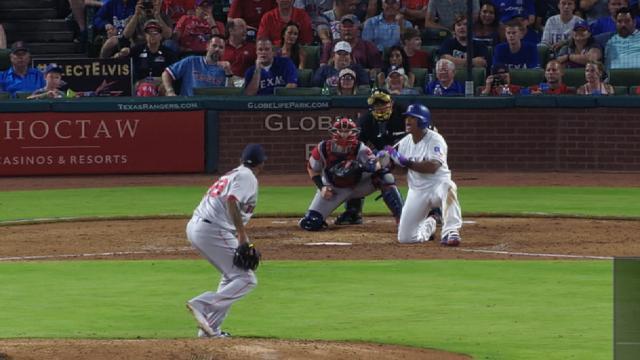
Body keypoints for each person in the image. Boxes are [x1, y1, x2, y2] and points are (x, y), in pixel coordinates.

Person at [185, 143, 266, 339]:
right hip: (212, 229)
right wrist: (242, 236)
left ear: (241, 159)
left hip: (200, 227)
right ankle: (202, 304)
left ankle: (210, 331)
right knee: (247, 279)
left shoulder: (233, 174)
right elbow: (231, 200)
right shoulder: (247, 176)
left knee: (232, 276)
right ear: (262, 164)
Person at [298, 117, 404, 231]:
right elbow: (312, 168)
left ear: (354, 132)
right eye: (341, 131)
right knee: (310, 223)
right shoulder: (322, 148)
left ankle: (402, 219)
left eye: (347, 131)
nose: (344, 134)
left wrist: (366, 166)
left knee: (385, 177)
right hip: (333, 189)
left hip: (358, 185)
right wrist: (322, 187)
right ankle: (352, 214)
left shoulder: (361, 148)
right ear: (334, 132)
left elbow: (378, 165)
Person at [384, 103, 462, 246]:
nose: (408, 120)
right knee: (406, 238)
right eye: (407, 117)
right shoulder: (405, 142)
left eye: (412, 117)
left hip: (438, 187)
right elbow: (404, 170)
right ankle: (430, 224)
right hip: (417, 191)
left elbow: (433, 167)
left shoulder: (436, 140)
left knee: (449, 186)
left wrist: (405, 161)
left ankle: (451, 231)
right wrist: (390, 163)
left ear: (422, 120)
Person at [333, 88, 406, 225]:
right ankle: (353, 211)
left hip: (409, 152)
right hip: (383, 154)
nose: (379, 107)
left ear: (392, 102)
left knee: (425, 173)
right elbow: (356, 147)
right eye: (376, 104)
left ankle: (433, 211)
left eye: (382, 103)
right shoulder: (366, 120)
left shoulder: (404, 113)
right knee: (355, 165)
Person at [162, 35, 234, 96]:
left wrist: (229, 73)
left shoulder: (225, 68)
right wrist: (170, 91)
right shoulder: (191, 61)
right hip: (190, 106)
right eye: (214, 46)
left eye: (221, 47)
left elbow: (231, 95)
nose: (217, 49)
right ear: (207, 46)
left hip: (213, 107)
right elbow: (167, 73)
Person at [100, 0, 173, 58]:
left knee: (170, 44)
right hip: (137, 48)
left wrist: (157, 15)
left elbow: (168, 35)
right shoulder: (133, 17)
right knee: (114, 44)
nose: (149, 4)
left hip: (159, 48)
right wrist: (136, 15)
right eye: (146, 2)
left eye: (152, 1)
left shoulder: (165, 17)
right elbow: (126, 35)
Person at [128, 20, 178, 96]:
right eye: (149, 33)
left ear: (161, 36)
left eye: (155, 33)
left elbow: (173, 73)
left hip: (161, 84)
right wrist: (121, 53)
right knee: (147, 88)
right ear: (145, 36)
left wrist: (164, 84)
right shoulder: (137, 50)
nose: (152, 35)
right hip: (142, 84)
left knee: (167, 90)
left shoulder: (168, 53)